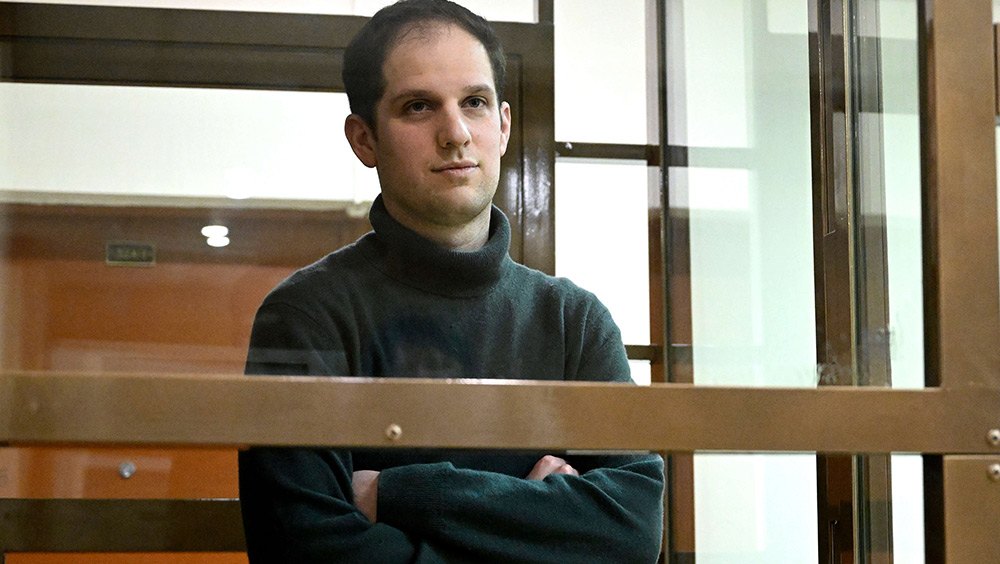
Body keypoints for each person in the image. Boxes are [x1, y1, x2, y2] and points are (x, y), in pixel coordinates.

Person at [237, 1, 665, 561]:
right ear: (364, 139)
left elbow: (630, 532)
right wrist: (535, 522)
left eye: (475, 103)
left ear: (504, 124)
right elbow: (303, 548)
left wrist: (399, 493)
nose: (456, 133)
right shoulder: (306, 315)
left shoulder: (573, 321)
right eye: (419, 107)